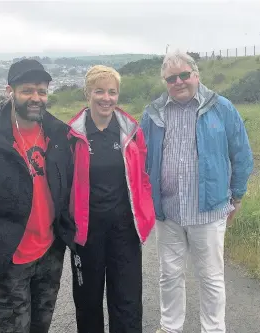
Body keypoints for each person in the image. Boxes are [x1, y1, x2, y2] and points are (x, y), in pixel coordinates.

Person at [0, 59, 77, 333]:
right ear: (10, 91)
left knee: (40, 326)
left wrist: (63, 232)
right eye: (27, 90)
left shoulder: (58, 135)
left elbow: (66, 186)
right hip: (12, 261)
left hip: (50, 253)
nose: (36, 98)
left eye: (41, 91)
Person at [139, 51, 254, 333]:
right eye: (171, 78)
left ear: (196, 75)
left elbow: (241, 153)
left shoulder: (221, 108)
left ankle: (213, 329)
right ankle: (170, 326)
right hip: (168, 212)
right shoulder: (154, 113)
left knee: (211, 277)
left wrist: (237, 195)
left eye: (183, 75)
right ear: (165, 82)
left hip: (209, 210)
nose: (178, 82)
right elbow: (141, 158)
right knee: (169, 275)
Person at [67, 65, 155, 333]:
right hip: (87, 233)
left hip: (124, 231)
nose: (106, 98)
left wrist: (146, 214)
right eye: (99, 91)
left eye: (112, 92)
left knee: (127, 301)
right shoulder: (72, 134)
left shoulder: (131, 131)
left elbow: (142, 177)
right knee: (88, 301)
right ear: (87, 93)